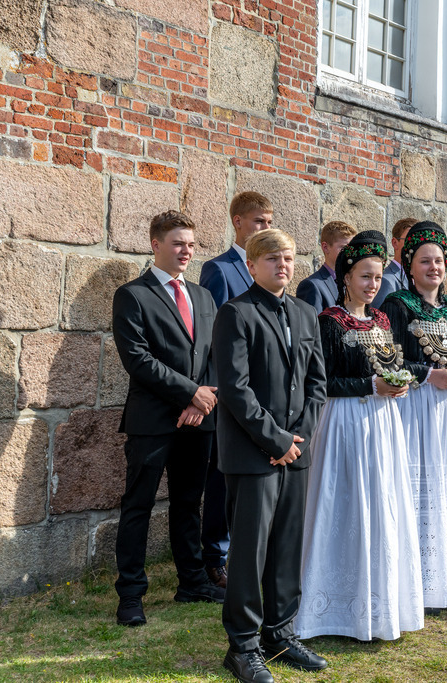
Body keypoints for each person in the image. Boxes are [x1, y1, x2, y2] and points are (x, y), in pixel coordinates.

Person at [297, 230, 424, 642]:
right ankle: (331, 603)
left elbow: (389, 363)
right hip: (345, 422)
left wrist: (396, 383)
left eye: (377, 277)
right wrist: (371, 386)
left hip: (383, 423)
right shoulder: (329, 322)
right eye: (365, 276)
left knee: (381, 502)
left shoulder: (384, 320)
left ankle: (381, 599)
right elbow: (323, 382)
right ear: (346, 277)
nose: (372, 285)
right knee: (345, 504)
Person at [213, 229, 328, 682]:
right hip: (252, 454)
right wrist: (275, 440)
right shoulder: (235, 313)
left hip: (295, 453)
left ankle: (279, 632)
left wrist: (298, 437)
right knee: (249, 551)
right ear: (253, 265)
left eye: (289, 258)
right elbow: (236, 390)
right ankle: (242, 646)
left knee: (286, 547)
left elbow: (316, 383)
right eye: (273, 258)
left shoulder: (304, 313)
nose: (283, 265)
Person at [111, 210, 222, 627]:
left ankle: (192, 582)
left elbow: (215, 353)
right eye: (178, 244)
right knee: (138, 506)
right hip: (153, 419)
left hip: (200, 418)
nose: (186, 251)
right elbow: (137, 360)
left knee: (188, 504)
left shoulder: (204, 296)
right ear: (155, 244)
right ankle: (130, 596)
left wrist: (202, 399)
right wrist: (188, 392)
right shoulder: (132, 295)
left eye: (191, 245)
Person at [380, 221, 447, 610]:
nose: (434, 268)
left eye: (440, 261)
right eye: (425, 261)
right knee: (420, 485)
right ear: (410, 267)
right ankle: (419, 581)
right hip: (418, 405)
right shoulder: (396, 305)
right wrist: (429, 374)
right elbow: (388, 359)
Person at [198, 191, 275, 588]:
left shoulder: (271, 270)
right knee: (220, 478)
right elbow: (213, 335)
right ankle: (216, 556)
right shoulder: (220, 269)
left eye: (269, 221)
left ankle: (250, 552)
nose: (265, 227)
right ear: (237, 221)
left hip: (266, 394)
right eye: (258, 221)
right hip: (229, 393)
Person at [296, 220, 357, 314]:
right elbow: (312, 326)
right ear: (325, 247)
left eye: (352, 249)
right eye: (344, 248)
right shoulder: (312, 286)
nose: (350, 253)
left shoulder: (354, 282)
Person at [373, 217, 417, 307]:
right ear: (395, 243)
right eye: (410, 240)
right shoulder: (386, 281)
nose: (415, 245)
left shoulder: (419, 279)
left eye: (419, 241)